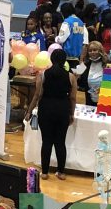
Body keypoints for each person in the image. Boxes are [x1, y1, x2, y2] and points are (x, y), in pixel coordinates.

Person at [28, 47, 76, 180]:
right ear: (64, 61)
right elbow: (72, 98)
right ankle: (61, 172)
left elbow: (37, 95)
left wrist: (29, 111)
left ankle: (44, 172)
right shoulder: (71, 77)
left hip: (46, 108)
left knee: (47, 141)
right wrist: (71, 113)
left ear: (51, 59)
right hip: (62, 109)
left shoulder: (43, 75)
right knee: (60, 142)